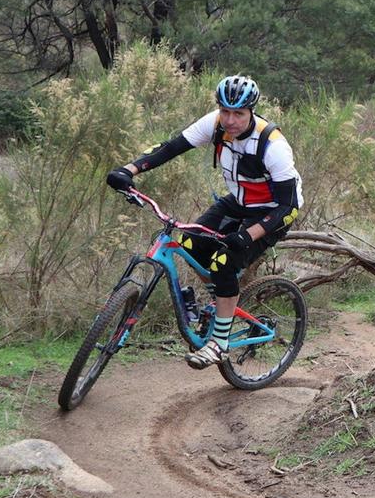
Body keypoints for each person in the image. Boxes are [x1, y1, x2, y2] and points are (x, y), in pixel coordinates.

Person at [105, 75, 303, 368]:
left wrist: (248, 236)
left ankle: (219, 342)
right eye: (225, 111)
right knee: (189, 243)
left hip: (271, 213)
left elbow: (289, 207)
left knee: (224, 262)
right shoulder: (215, 125)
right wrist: (128, 170)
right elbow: (171, 147)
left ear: (252, 111)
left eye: (238, 114)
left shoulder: (272, 145)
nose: (231, 120)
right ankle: (220, 300)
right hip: (238, 202)